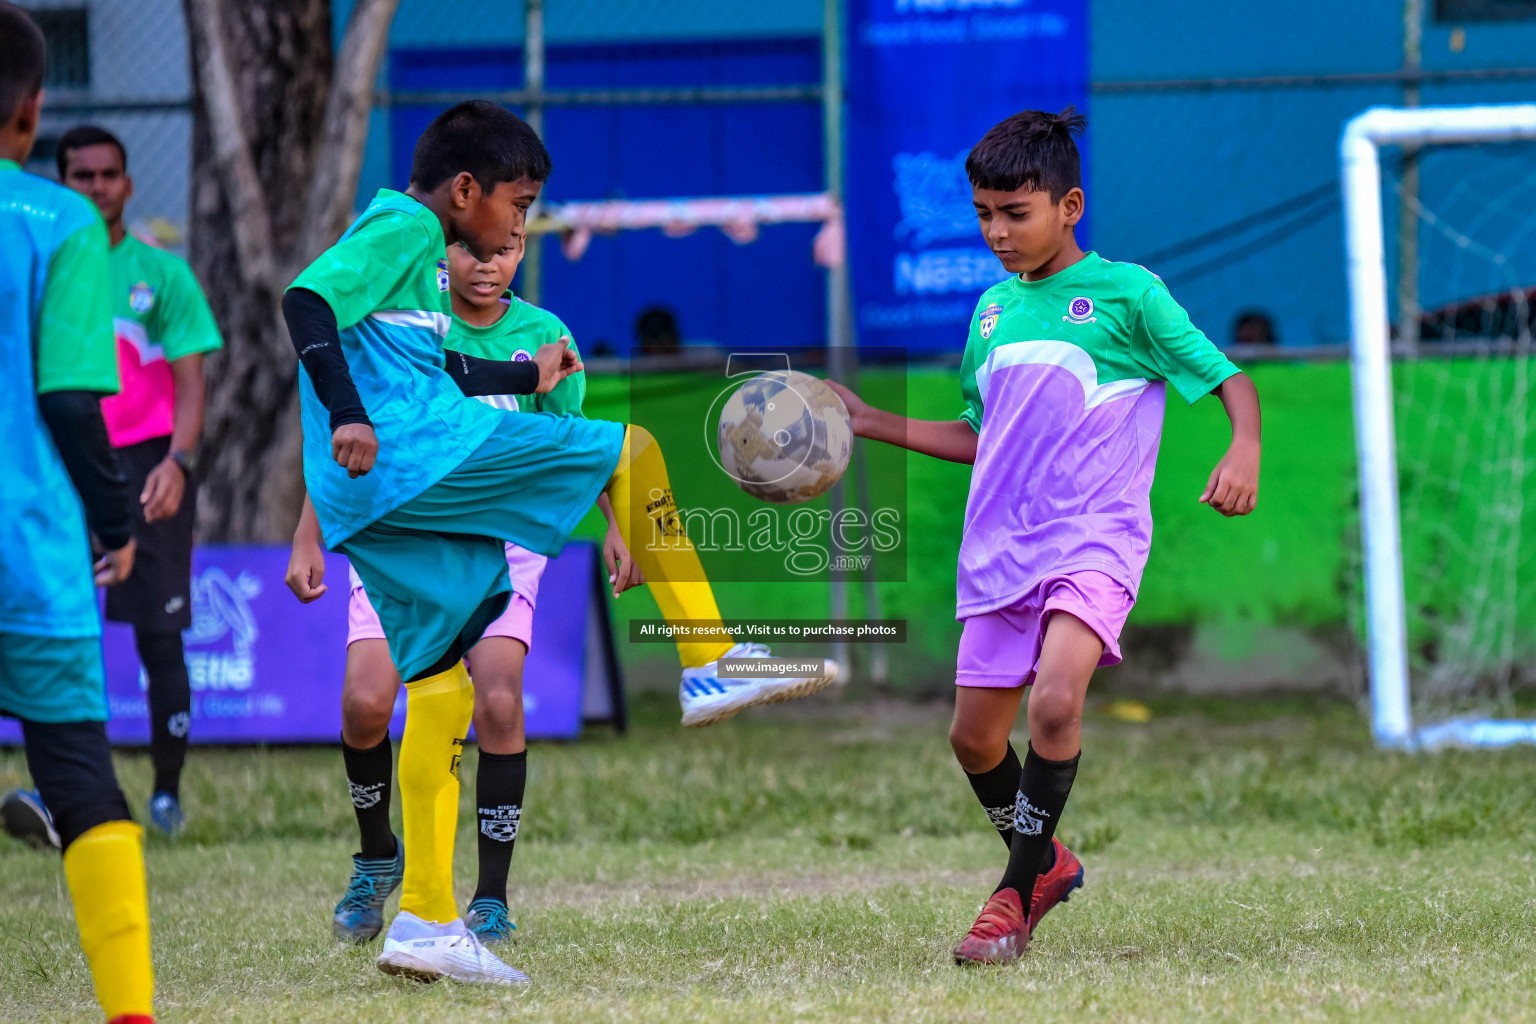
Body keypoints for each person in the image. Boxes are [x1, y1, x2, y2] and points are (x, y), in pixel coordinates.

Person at [281, 100, 836, 986]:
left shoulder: (416, 265)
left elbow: (436, 366)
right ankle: (708, 655)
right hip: (419, 460)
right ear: (465, 193)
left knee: (438, 687)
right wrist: (349, 412)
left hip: (371, 503)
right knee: (634, 450)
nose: (520, 224)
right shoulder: (404, 227)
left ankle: (425, 917)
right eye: (519, 203)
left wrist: (519, 375)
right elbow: (304, 299)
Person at [827, 108, 1262, 965]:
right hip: (1000, 550)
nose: (996, 232)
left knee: (1056, 703)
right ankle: (1047, 862)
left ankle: (1009, 905)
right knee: (974, 740)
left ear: (1070, 205)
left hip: (1094, 539)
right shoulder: (990, 312)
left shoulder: (1130, 295)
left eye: (1014, 213)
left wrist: (1241, 444)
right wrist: (872, 421)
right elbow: (979, 435)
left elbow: (1227, 378)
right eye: (984, 213)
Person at [285, 223, 642, 951]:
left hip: (502, 541)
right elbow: (350, 434)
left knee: (500, 701)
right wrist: (308, 531)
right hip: (407, 533)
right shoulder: (409, 316)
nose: (488, 265)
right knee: (363, 704)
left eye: (506, 250)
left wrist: (618, 523)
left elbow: (577, 441)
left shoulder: (544, 334)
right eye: (473, 251)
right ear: (441, 253)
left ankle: (488, 898)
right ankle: (379, 857)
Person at [0, 5, 156, 1021]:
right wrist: (118, 519)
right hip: (32, 550)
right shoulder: (60, 221)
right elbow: (66, 397)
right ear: (33, 106)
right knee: (78, 780)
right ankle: (131, 1013)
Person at [58, 124, 222, 836]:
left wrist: (177, 462)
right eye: (81, 175)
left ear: (127, 183)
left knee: (160, 637)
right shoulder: (42, 269)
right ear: (61, 182)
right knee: (58, 629)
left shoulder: (164, 276)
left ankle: (165, 795)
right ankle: (62, 794)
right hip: (64, 459)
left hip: (148, 464)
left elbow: (192, 383)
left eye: (107, 174)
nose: (96, 187)